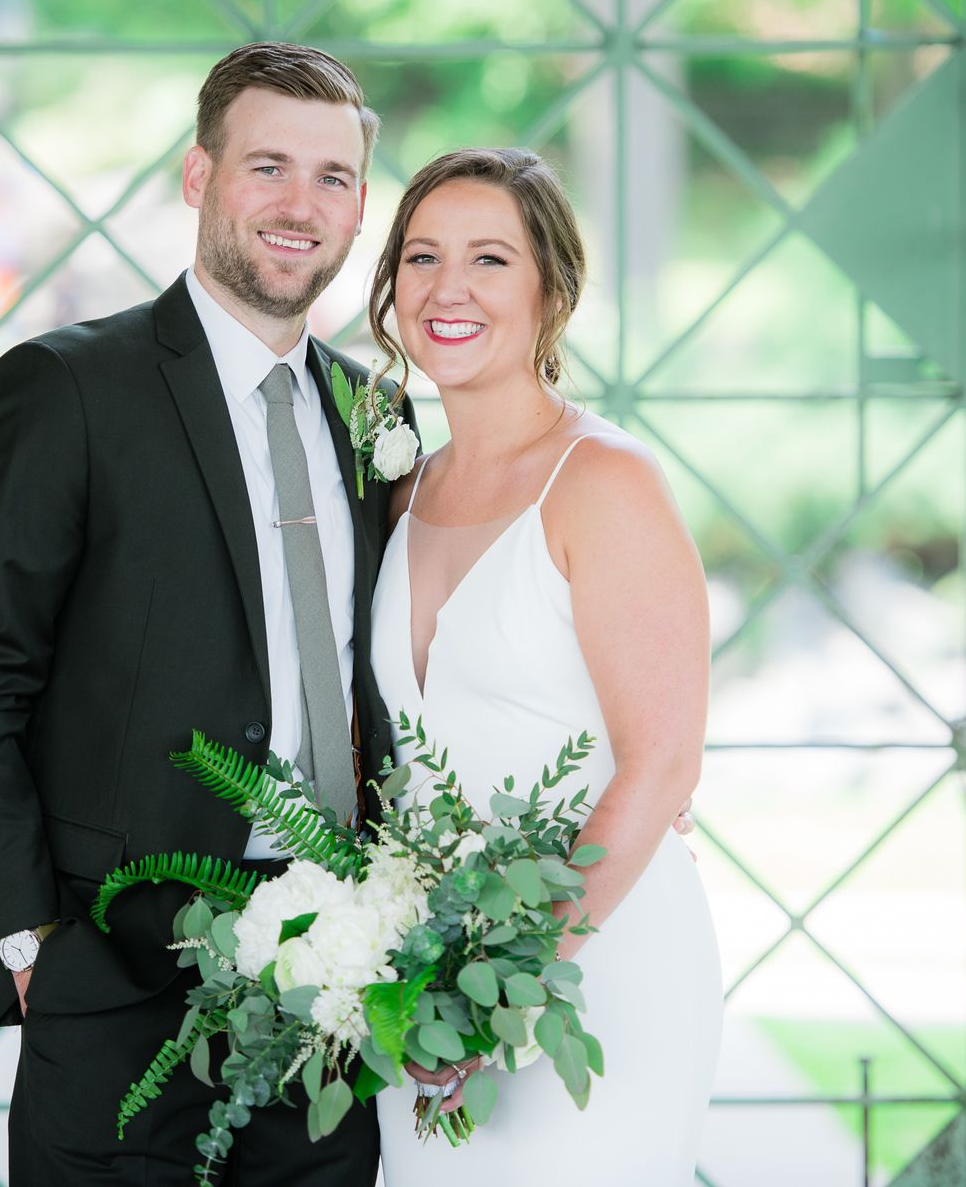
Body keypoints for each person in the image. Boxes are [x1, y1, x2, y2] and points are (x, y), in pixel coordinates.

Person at [0, 41, 403, 1186]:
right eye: (267, 164)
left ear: (359, 205)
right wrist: (24, 940)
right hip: (119, 970)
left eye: (332, 178)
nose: (299, 204)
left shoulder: (375, 416)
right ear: (198, 177)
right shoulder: (67, 390)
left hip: (339, 984)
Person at [365, 148, 723, 1184]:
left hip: (596, 970)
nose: (449, 289)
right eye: (422, 257)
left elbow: (662, 762)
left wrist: (509, 983)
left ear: (551, 292)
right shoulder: (401, 494)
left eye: (490, 259)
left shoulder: (602, 481)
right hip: (430, 986)